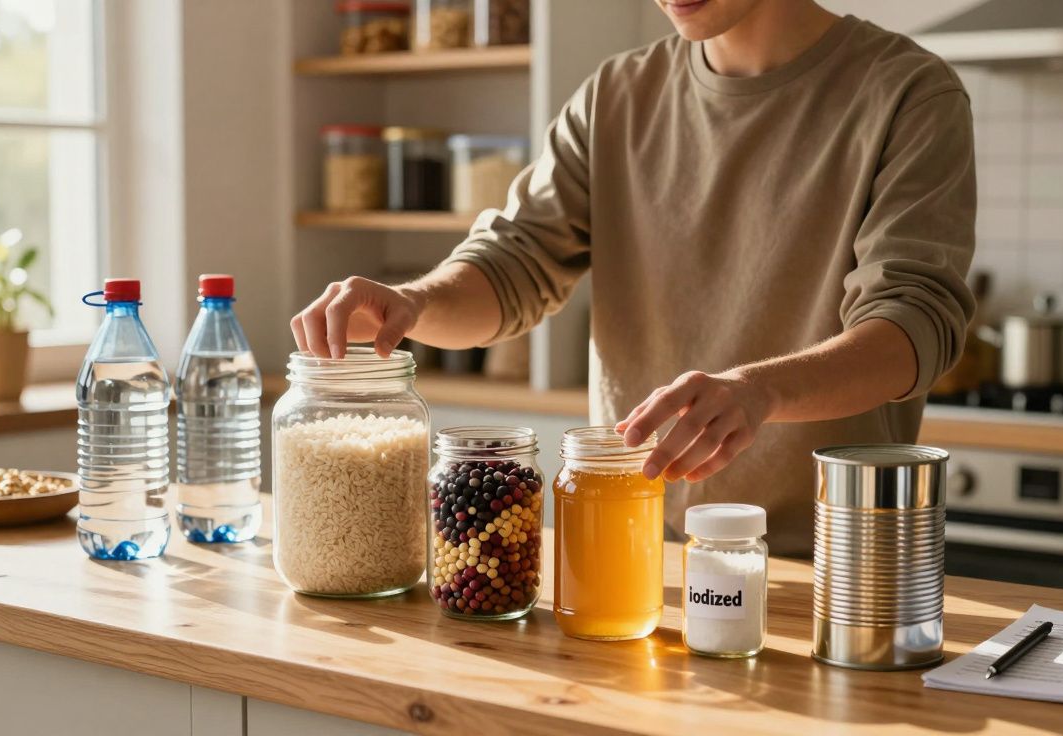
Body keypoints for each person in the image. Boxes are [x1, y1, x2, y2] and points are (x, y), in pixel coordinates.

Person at [291, 0, 976, 556]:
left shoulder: (908, 93)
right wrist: (410, 302)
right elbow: (512, 266)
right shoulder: (616, 95)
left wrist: (758, 390)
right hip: (638, 550)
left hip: (832, 563)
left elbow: (912, 327)